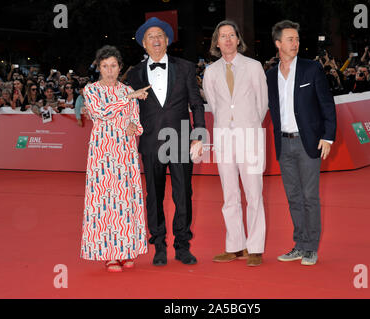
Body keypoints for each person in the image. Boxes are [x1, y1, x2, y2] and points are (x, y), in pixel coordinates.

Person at [127, 17, 206, 266]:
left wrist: (199, 135)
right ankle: (158, 244)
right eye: (151, 36)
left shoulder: (185, 67)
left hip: (181, 138)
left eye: (160, 35)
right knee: (154, 195)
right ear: (144, 44)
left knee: (183, 194)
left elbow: (196, 103)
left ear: (168, 40)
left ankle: (183, 245)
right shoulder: (134, 73)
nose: (156, 40)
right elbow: (127, 108)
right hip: (150, 141)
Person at [266, 20, 337, 266]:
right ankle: (299, 244)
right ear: (278, 44)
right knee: (294, 197)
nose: (295, 43)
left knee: (310, 196)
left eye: (296, 39)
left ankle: (310, 248)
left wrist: (328, 137)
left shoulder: (311, 69)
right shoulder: (270, 75)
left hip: (309, 142)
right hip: (284, 144)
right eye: (290, 39)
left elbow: (327, 104)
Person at [203, 20, 268, 267]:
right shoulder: (210, 71)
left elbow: (262, 103)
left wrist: (247, 125)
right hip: (223, 138)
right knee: (229, 194)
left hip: (249, 136)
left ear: (238, 40)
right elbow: (214, 103)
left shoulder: (253, 67)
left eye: (231, 35)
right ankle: (235, 246)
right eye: (223, 36)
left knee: (254, 193)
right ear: (216, 43)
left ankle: (255, 248)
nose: (227, 40)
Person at [80, 45, 151, 272]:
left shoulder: (127, 90)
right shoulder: (91, 90)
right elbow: (101, 113)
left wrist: (134, 127)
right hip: (102, 153)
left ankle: (127, 250)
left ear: (120, 67)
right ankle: (109, 254)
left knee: (125, 201)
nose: (109, 70)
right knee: (104, 204)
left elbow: (137, 122)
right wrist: (129, 97)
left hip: (125, 153)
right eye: (104, 66)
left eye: (113, 66)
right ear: (99, 68)